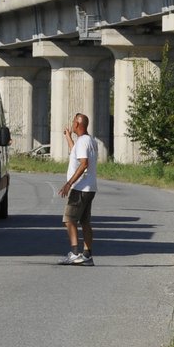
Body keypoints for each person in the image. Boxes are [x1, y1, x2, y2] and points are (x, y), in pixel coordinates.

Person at [57, 112, 98, 265]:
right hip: (90, 188)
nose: (72, 124)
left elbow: (84, 163)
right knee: (85, 221)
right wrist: (68, 137)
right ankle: (87, 256)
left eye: (74, 122)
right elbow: (77, 153)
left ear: (77, 125)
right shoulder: (89, 140)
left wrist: (69, 184)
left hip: (80, 188)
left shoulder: (83, 142)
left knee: (68, 219)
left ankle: (75, 254)